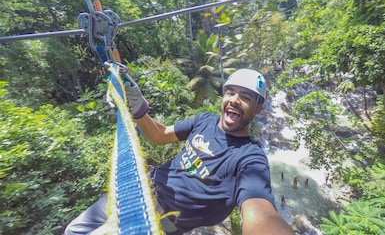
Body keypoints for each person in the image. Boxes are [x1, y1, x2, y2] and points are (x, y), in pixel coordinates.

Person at [64, 68, 294, 235]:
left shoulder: (250, 157)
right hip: (138, 187)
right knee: (73, 231)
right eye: (230, 93)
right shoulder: (205, 120)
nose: (234, 100)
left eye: (245, 98)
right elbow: (160, 135)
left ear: (258, 108)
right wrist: (138, 109)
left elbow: (259, 211)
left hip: (155, 221)